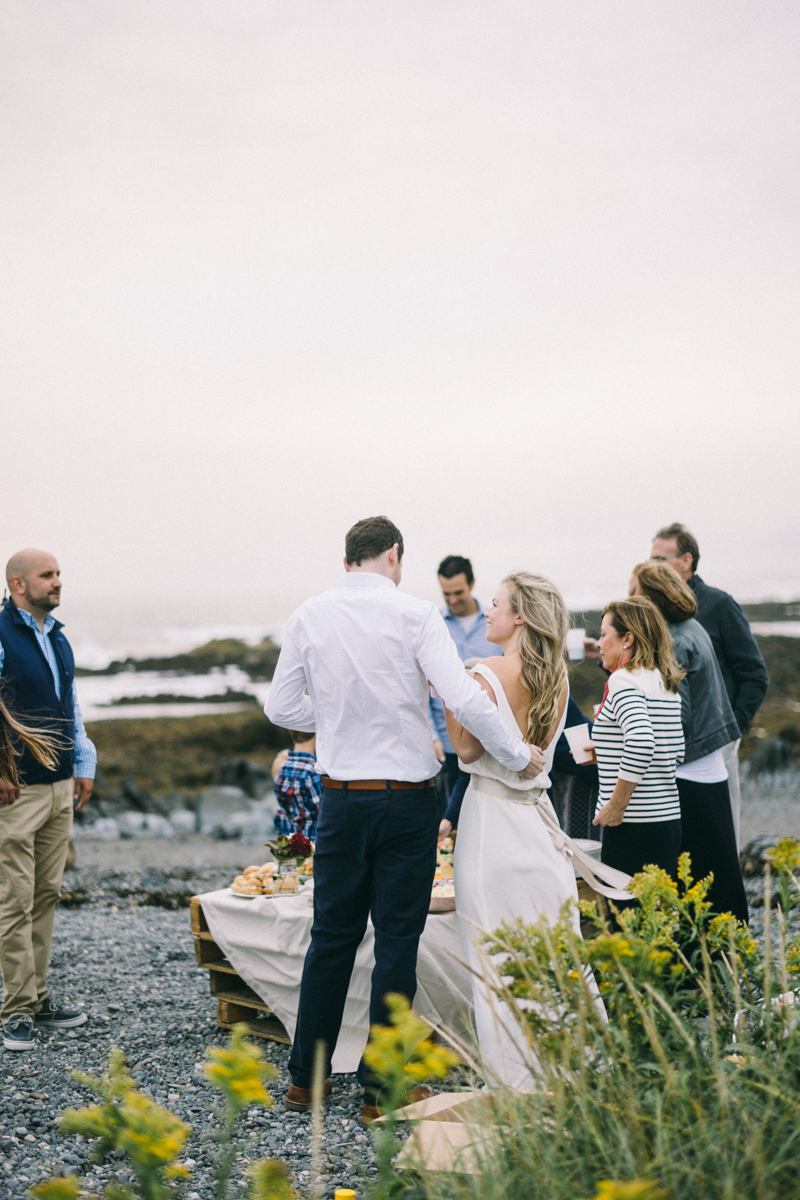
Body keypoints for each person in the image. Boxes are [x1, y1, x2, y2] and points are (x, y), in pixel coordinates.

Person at [265, 517, 544, 1123]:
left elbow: (280, 706)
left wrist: (336, 712)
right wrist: (520, 756)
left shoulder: (310, 615)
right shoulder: (416, 616)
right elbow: (463, 699)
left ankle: (304, 1081)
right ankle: (380, 1088)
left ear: (348, 561)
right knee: (396, 941)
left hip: (339, 799)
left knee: (331, 938)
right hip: (407, 800)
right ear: (393, 555)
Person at [445, 573, 630, 1089]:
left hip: (490, 826)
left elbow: (467, 751)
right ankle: (580, 1071)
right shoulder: (557, 676)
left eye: (497, 604)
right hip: (536, 827)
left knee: (496, 961)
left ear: (520, 615)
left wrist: (447, 690)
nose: (488, 611)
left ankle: (517, 1086)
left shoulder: (482, 674)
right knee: (554, 954)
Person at [0, 549, 96, 1052]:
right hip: (18, 791)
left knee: (45, 896)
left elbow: (69, 706)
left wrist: (83, 765)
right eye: (47, 575)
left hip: (59, 787)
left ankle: (37, 999)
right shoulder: (1, 634)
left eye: (59, 573)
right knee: (12, 901)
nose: (58, 581)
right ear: (18, 584)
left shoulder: (56, 637)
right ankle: (15, 1010)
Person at [630, 562, 748, 923]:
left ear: (651, 598)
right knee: (720, 866)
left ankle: (710, 959)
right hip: (708, 761)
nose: (630, 599)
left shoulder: (674, 641)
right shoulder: (690, 627)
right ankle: (731, 947)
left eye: (634, 592)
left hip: (692, 768)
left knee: (699, 872)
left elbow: (675, 719)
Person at [651, 523, 768, 846]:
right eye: (651, 561)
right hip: (674, 747)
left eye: (661, 560)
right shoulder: (657, 612)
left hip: (717, 741)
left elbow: (755, 676)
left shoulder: (718, 604)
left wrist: (733, 730)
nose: (653, 568)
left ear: (686, 560)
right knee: (686, 841)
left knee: (722, 833)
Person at [591, 597, 685, 883]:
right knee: (657, 919)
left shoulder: (623, 681)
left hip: (631, 824)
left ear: (627, 639)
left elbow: (642, 741)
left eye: (604, 634)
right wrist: (608, 752)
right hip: (667, 822)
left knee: (627, 919)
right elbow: (677, 752)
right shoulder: (665, 683)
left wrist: (617, 804)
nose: (597, 643)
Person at [428, 555, 498, 809]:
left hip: (488, 738)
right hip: (444, 742)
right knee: (447, 822)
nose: (452, 600)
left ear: (472, 584)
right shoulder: (432, 624)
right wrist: (433, 736)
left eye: (458, 592)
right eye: (446, 594)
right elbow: (421, 687)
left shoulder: (494, 622)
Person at [274, 730, 321, 840]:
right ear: (317, 734)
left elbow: (283, 810)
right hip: (315, 840)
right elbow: (324, 812)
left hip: (294, 841)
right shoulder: (313, 769)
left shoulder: (283, 766)